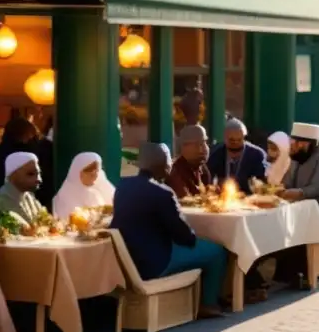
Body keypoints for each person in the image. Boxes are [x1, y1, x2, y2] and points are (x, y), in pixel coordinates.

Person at [111, 143, 227, 318]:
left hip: (128, 263)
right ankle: (209, 304)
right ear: (164, 166)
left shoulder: (123, 186)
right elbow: (184, 237)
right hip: (155, 264)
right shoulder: (163, 193)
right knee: (216, 251)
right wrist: (194, 236)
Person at [207, 118, 268, 190]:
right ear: (225, 138)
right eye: (231, 140)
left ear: (244, 137)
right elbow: (209, 180)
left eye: (239, 140)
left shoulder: (257, 155)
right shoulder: (215, 154)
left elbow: (261, 182)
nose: (235, 143)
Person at [53, 152, 116, 219]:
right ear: (77, 172)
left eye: (97, 170)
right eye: (89, 171)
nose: (94, 175)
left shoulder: (104, 186)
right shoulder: (66, 194)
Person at [168, 124, 213, 198]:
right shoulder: (175, 172)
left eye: (205, 143)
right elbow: (185, 199)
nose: (203, 149)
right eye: (198, 144)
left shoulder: (202, 169)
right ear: (184, 147)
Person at [0, 151, 45, 223]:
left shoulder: (31, 199)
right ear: (13, 175)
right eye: (30, 174)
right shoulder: (1, 201)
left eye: (38, 174)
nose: (39, 179)